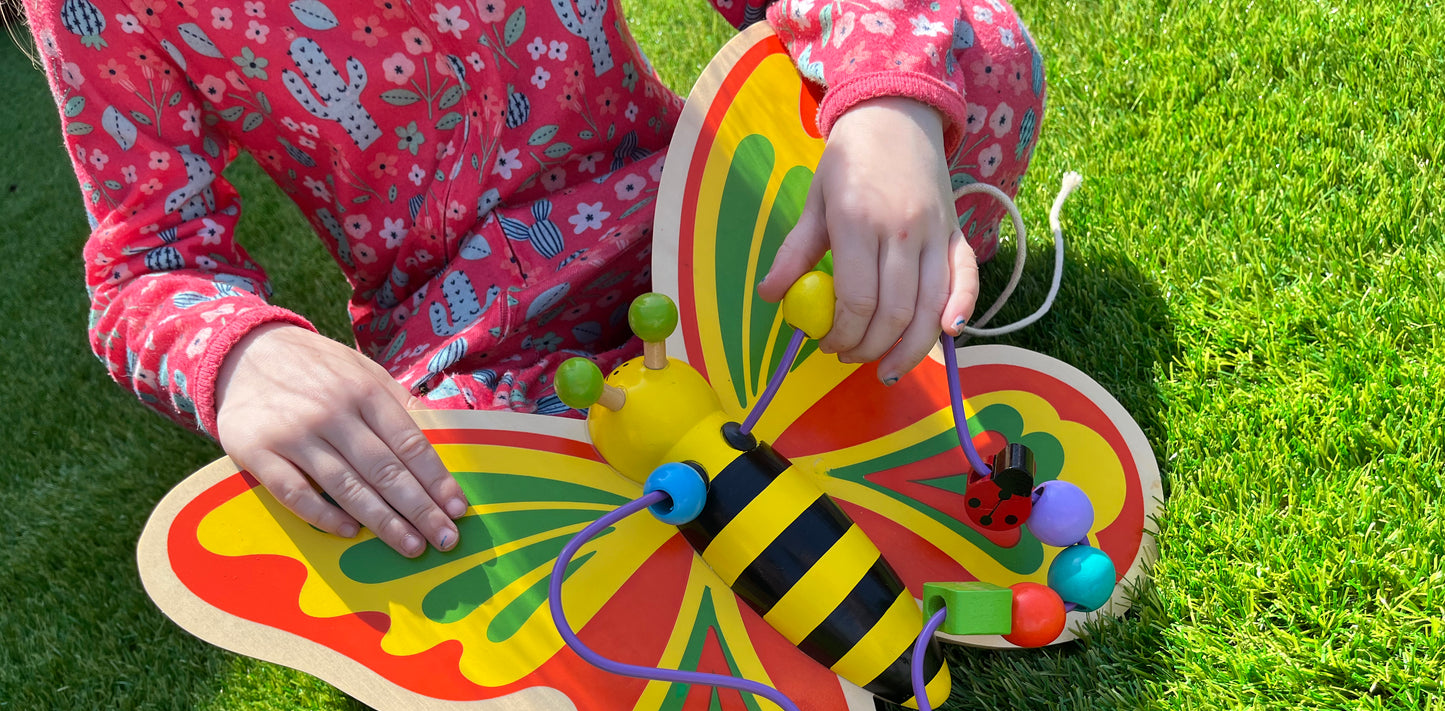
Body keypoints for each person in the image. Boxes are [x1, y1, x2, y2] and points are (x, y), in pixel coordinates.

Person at [24, 0, 1046, 556]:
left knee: (975, 56)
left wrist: (881, 113)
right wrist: (245, 355)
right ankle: (779, 412)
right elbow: (151, 263)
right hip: (486, 356)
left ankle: (823, 348)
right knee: (380, 490)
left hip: (693, 226)